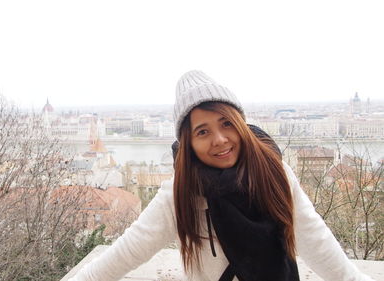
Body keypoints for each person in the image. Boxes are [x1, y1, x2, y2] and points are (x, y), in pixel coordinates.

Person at [68, 70, 373, 281]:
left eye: (226, 123)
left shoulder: (274, 173)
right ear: (188, 143)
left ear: (240, 123)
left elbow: (316, 241)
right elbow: (123, 255)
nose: (220, 139)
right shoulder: (180, 194)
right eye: (203, 131)